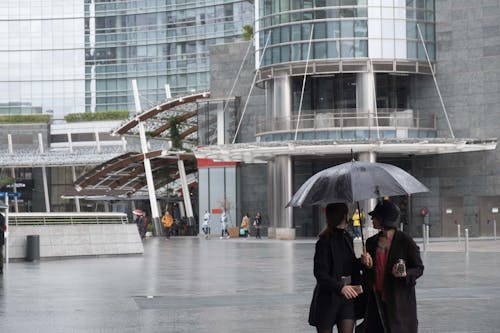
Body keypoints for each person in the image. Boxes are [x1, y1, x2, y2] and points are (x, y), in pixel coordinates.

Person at [360, 200, 424, 333]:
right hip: (375, 300)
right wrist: (365, 263)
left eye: (375, 216)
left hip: (398, 302)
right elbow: (368, 271)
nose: (372, 219)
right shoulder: (371, 242)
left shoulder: (405, 241)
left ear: (385, 219)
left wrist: (405, 273)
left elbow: (418, 268)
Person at [309, 203, 363, 333]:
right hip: (328, 298)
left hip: (347, 297)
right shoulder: (324, 242)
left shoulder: (347, 238)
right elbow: (320, 273)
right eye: (347, 214)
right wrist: (340, 287)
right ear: (343, 216)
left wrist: (362, 262)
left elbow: (350, 264)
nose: (349, 217)